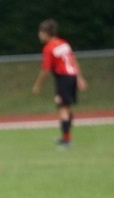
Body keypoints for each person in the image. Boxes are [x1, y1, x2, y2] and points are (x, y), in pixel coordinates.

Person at [31, 19, 87, 150]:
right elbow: (73, 61)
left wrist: (38, 85)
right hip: (72, 76)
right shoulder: (64, 44)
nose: (39, 35)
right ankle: (65, 137)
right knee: (67, 108)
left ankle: (67, 141)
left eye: (40, 33)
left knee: (62, 108)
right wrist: (79, 78)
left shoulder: (49, 48)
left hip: (63, 78)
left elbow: (45, 70)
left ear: (46, 34)